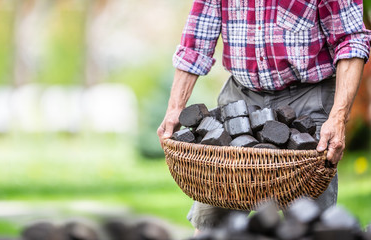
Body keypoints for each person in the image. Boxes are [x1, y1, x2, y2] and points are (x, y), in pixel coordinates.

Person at [157, 0, 371, 233]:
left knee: (309, 217)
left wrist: (338, 117)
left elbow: (351, 40)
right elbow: (196, 42)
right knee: (212, 214)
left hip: (308, 95)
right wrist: (175, 108)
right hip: (242, 95)